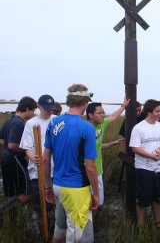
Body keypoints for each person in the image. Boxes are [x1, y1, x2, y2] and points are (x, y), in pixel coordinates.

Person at [43, 84, 99, 243]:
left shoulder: (53, 123)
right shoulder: (86, 127)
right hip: (77, 190)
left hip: (58, 186)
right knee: (81, 238)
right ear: (85, 102)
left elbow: (45, 159)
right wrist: (96, 193)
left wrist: (48, 187)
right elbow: (90, 166)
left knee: (60, 232)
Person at [129, 99, 160, 226]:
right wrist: (151, 156)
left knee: (159, 198)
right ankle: (141, 225)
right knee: (142, 199)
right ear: (149, 112)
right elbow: (134, 147)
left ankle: (158, 222)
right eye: (157, 111)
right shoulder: (138, 128)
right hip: (144, 168)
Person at [19, 94, 56, 229]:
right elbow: (27, 146)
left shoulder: (56, 121)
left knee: (56, 206)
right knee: (41, 208)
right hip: (38, 171)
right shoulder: (31, 123)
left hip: (55, 170)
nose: (49, 112)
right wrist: (31, 156)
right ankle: (44, 234)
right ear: (39, 107)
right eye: (47, 109)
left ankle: (56, 233)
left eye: (51, 109)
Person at [87, 96, 129, 208]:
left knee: (97, 201)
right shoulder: (85, 129)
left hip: (98, 168)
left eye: (103, 112)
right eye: (99, 113)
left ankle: (94, 220)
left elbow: (113, 117)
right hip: (87, 169)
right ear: (90, 115)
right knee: (88, 200)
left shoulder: (101, 124)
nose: (103, 115)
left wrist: (123, 106)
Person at [0, 96, 37, 211]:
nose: (33, 113)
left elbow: (1, 140)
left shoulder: (9, 120)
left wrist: (7, 147)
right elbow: (12, 145)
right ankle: (3, 211)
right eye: (33, 110)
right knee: (30, 191)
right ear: (27, 108)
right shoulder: (19, 123)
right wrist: (28, 149)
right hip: (14, 158)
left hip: (6, 158)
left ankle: (11, 218)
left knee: (14, 191)